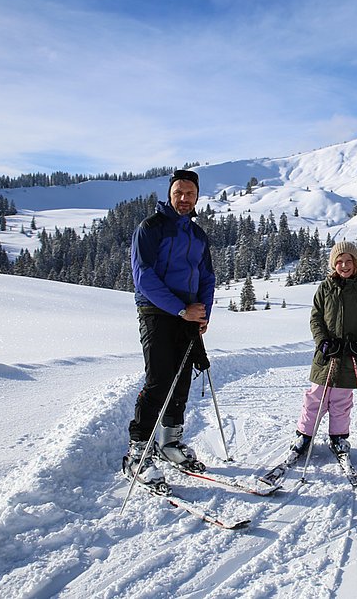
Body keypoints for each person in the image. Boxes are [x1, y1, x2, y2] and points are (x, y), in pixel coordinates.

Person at [123, 169, 216, 492]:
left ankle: (169, 443)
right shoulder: (151, 228)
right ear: (170, 194)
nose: (184, 198)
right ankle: (137, 453)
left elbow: (206, 277)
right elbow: (144, 276)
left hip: (188, 315)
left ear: (197, 197)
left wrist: (203, 313)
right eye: (179, 192)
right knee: (160, 379)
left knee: (181, 380)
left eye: (190, 193)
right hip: (156, 311)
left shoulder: (197, 235)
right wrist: (180, 308)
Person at [287, 241, 357, 461]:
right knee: (315, 397)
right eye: (339, 261)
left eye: (348, 261)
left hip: (350, 355)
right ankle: (304, 435)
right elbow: (316, 317)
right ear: (333, 264)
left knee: (341, 399)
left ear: (356, 263)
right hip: (327, 353)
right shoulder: (325, 287)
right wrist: (323, 342)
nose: (344, 265)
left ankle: (338, 437)